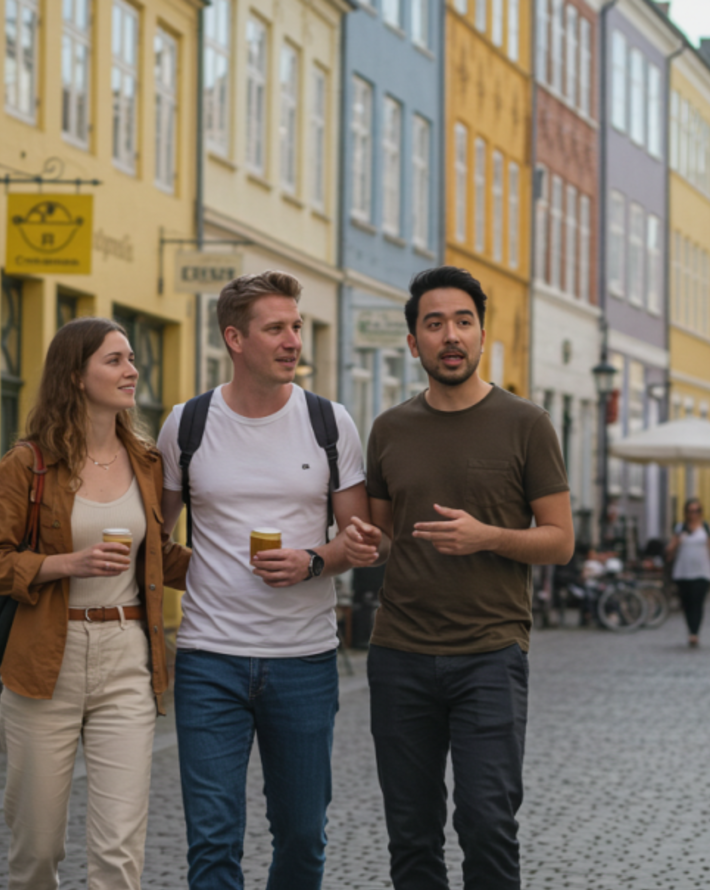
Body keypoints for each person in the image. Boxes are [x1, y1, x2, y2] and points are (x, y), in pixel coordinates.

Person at [342, 266, 574, 890]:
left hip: (490, 653)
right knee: (411, 834)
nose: (451, 336)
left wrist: (489, 537)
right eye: (435, 323)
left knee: (487, 821)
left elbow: (560, 540)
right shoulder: (391, 428)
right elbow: (386, 535)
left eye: (463, 322)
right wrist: (364, 543)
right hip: (400, 654)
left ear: (480, 334)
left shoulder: (526, 423)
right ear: (413, 341)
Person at [157, 271, 369, 890]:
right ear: (235, 338)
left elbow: (360, 540)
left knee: (303, 838)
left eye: (296, 327)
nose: (292, 340)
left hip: (302, 660)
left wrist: (314, 560)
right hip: (208, 660)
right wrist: (204, 577)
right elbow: (152, 535)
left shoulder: (330, 423)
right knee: (213, 840)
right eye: (275, 328)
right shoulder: (187, 424)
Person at [0, 317, 191, 890]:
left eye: (131, 358)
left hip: (127, 657)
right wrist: (65, 564)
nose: (132, 370)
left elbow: (158, 558)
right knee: (38, 849)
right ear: (75, 376)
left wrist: (241, 570)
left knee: (119, 851)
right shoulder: (28, 465)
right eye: (114, 360)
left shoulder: (146, 461)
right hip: (45, 659)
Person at [667, 499, 710, 647]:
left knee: (697, 601)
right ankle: (690, 628)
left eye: (697, 511)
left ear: (701, 512)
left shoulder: (706, 528)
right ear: (685, 512)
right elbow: (670, 551)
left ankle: (694, 632)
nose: (693, 514)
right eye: (690, 511)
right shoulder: (680, 528)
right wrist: (677, 541)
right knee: (686, 603)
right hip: (683, 571)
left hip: (702, 572)